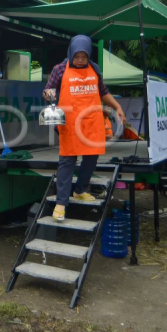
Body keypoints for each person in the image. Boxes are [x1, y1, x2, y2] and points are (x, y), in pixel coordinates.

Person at [43, 35, 126, 221]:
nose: (80, 61)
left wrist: (117, 107)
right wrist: (49, 96)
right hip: (69, 123)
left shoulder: (94, 69)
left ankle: (80, 190)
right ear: (71, 53)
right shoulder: (60, 69)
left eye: (84, 57)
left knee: (91, 158)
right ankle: (61, 203)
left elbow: (103, 92)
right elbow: (48, 90)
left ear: (89, 55)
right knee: (67, 162)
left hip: (91, 122)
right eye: (77, 57)